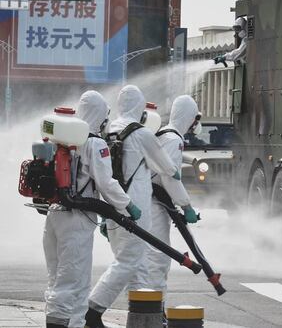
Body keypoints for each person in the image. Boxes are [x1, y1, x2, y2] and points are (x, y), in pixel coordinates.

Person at [86, 85, 179, 328]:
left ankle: (143, 317)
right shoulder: (142, 134)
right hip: (136, 208)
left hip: (113, 206)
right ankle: (93, 311)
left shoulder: (108, 131)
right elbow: (167, 168)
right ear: (140, 108)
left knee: (134, 264)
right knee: (128, 262)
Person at [43, 91, 138, 328]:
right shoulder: (94, 142)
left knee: (56, 279)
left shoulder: (61, 138)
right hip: (77, 218)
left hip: (54, 215)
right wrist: (127, 205)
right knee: (75, 281)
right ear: (101, 116)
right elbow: (106, 183)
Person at [141, 95, 201, 295]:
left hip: (147, 200)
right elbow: (169, 178)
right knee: (158, 259)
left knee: (145, 259)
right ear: (189, 118)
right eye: (194, 118)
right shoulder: (174, 140)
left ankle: (146, 308)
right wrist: (187, 206)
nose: (195, 124)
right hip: (155, 205)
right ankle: (156, 312)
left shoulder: (162, 133)